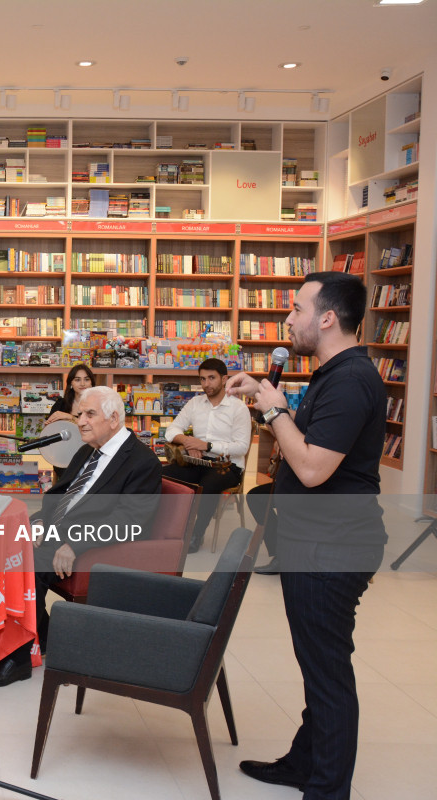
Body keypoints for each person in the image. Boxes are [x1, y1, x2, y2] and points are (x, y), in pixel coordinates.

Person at [226, 271, 386, 800]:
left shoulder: (351, 380)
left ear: (328, 317)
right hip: (314, 541)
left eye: (296, 309)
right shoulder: (331, 374)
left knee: (328, 674)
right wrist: (268, 398)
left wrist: (274, 411)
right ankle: (304, 762)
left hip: (331, 546)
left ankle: (326, 788)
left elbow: (314, 468)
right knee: (318, 663)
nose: (287, 319)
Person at [0, 386, 163, 689]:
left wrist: (76, 543)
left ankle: (15, 660)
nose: (81, 422)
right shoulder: (88, 450)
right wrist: (41, 521)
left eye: (89, 414)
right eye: (79, 415)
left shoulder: (142, 462)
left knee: (20, 562)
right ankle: (42, 634)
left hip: (94, 545)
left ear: (114, 419)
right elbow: (58, 495)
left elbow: (131, 522)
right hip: (56, 531)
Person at [162, 357, 251, 553]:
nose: (206, 384)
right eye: (202, 379)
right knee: (162, 475)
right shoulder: (195, 403)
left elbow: (241, 447)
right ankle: (166, 527)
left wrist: (206, 445)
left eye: (211, 378)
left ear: (225, 379)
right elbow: (172, 430)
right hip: (197, 461)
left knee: (208, 486)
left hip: (228, 466)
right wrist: (188, 442)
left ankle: (196, 534)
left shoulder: (239, 408)